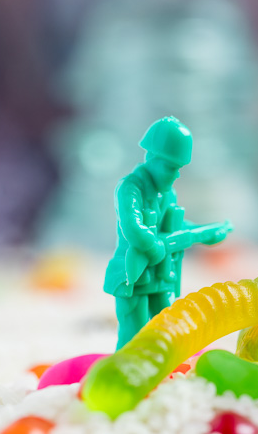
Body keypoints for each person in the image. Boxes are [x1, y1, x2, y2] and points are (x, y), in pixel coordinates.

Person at [103, 116, 230, 349]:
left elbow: (175, 229)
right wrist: (157, 247)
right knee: (134, 336)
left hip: (161, 277)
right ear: (152, 157)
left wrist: (204, 233)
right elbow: (134, 229)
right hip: (134, 276)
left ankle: (169, 371)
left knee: (170, 330)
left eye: (178, 168)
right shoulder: (130, 188)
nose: (176, 175)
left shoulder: (168, 194)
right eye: (171, 167)